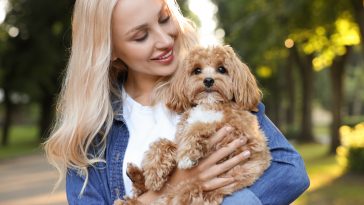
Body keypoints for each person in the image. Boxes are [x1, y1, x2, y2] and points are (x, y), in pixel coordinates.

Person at [44, 0, 310, 204]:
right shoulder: (93, 136)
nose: (164, 40)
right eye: (141, 36)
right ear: (110, 49)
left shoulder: (219, 92)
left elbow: (290, 173)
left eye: (164, 19)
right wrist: (178, 185)